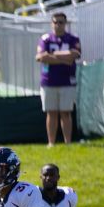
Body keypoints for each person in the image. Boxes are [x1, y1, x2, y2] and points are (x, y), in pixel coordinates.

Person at [36, 12, 81, 147]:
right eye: (55, 22)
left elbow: (75, 55)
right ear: (51, 24)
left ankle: (68, 143)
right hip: (48, 81)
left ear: (65, 24)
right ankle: (51, 143)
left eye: (61, 22)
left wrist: (53, 55)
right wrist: (64, 59)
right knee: (51, 112)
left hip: (67, 81)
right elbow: (40, 57)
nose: (58, 25)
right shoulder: (45, 39)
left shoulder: (72, 39)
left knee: (66, 112)